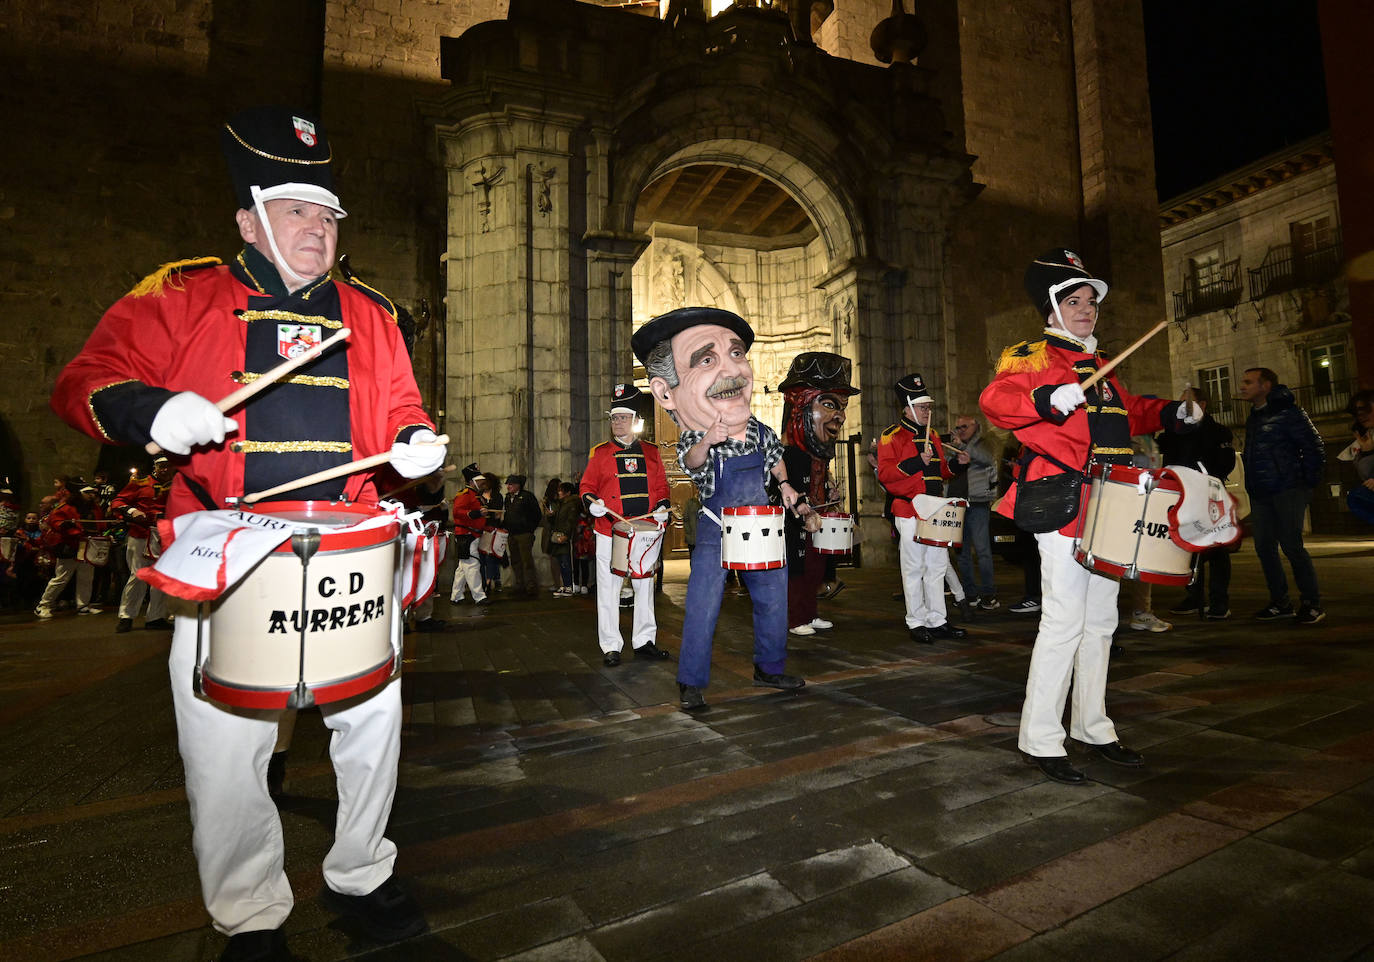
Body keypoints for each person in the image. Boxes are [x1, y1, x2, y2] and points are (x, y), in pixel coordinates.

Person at [50, 106, 442, 960]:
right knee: (224, 746)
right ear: (248, 219)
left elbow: (402, 404)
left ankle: (363, 872)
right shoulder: (184, 292)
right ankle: (249, 914)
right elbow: (86, 378)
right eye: (298, 210)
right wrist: (154, 408)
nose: (318, 229)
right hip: (226, 547)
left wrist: (413, 441)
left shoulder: (370, 313)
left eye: (329, 214)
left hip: (346, 546)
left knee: (374, 726)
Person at [980, 247, 1198, 785]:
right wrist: (1048, 397)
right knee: (1063, 620)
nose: (1086, 310)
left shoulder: (1099, 366)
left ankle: (1093, 726)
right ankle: (1040, 736)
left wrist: (1171, 412)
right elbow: (997, 400)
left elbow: (1129, 410)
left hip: (1111, 503)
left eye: (1091, 302)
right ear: (1052, 306)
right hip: (1062, 501)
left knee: (1101, 622)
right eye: (1074, 300)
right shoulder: (1031, 357)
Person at [633, 307, 807, 710]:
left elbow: (774, 456)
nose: (732, 370)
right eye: (706, 359)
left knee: (772, 597)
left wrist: (784, 486)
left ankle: (770, 667)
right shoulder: (695, 435)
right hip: (717, 529)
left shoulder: (760, 430)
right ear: (665, 393)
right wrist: (709, 439)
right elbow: (693, 464)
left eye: (736, 354)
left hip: (761, 525)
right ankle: (691, 682)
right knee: (703, 604)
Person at [579, 384, 673, 666]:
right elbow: (586, 486)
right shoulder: (601, 453)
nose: (617, 422)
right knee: (609, 587)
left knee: (645, 586)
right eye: (614, 418)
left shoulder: (652, 452)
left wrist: (660, 508)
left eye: (623, 417)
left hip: (644, 532)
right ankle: (610, 645)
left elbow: (661, 488)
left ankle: (644, 641)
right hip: (611, 531)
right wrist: (591, 501)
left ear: (635, 420)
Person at [774, 351, 860, 636]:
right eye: (829, 404)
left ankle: (809, 614)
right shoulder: (785, 453)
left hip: (818, 519)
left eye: (842, 407)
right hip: (794, 521)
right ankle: (794, 618)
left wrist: (828, 490)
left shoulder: (820, 455)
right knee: (796, 570)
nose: (840, 416)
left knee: (814, 568)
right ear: (799, 406)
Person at [877, 373, 967, 643]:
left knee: (937, 567)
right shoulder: (890, 437)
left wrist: (956, 465)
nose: (928, 411)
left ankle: (937, 619)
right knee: (914, 568)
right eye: (922, 407)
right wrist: (917, 462)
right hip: (909, 512)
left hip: (936, 511)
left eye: (929, 406)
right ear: (907, 408)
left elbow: (938, 473)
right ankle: (916, 620)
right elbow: (886, 475)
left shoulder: (934, 435)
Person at [1238, 366, 1326, 625]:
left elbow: (1314, 447)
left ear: (1265, 386)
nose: (1242, 387)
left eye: (1248, 382)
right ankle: (1280, 602)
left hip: (1287, 489)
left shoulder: (1290, 413)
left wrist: (1305, 483)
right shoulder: (1254, 416)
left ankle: (1312, 603)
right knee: (1264, 547)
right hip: (1262, 491)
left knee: (1291, 545)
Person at [1157, 385, 1236, 619]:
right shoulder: (1175, 432)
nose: (1183, 409)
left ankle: (1219, 601)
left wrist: (1204, 479)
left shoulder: (1219, 432)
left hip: (1209, 495)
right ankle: (1194, 595)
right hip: (1183, 495)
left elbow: (1225, 462)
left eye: (1187, 404)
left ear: (1202, 406)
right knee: (1188, 546)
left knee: (1217, 548)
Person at [111, 456, 175, 632]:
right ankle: (126, 616)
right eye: (162, 466)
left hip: (166, 535)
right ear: (155, 466)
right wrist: (132, 510)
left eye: (169, 466)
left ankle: (155, 616)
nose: (165, 469)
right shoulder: (141, 483)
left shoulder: (179, 485)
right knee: (137, 575)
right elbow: (117, 501)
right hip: (141, 534)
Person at [948, 414, 999, 610]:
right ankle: (970, 594)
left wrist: (961, 445)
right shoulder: (956, 446)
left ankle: (988, 594)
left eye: (964, 426)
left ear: (975, 426)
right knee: (961, 552)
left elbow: (986, 458)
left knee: (983, 551)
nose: (960, 430)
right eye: (958, 427)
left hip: (978, 503)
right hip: (958, 504)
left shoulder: (985, 443)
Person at [34, 483, 104, 618]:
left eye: (92, 492)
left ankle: (83, 605)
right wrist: (66, 525)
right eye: (87, 492)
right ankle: (43, 605)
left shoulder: (94, 508)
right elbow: (54, 521)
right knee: (61, 577)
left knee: (86, 577)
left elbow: (100, 524)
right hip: (70, 545)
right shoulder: (66, 507)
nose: (91, 495)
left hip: (89, 545)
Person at [450, 463, 489, 606]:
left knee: (463, 567)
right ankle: (479, 596)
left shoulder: (474, 495)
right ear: (472, 482)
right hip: (466, 534)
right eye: (479, 481)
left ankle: (456, 595)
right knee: (472, 565)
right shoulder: (465, 494)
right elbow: (457, 512)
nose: (482, 483)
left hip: (471, 534)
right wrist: (477, 513)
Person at [501, 474, 542, 596]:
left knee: (526, 561)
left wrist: (530, 528)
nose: (508, 486)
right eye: (508, 484)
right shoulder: (508, 498)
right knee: (515, 560)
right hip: (512, 534)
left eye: (511, 484)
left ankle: (531, 586)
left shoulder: (527, 497)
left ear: (518, 485)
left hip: (524, 534)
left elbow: (537, 514)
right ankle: (519, 585)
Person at [1343, 390, 1374, 523]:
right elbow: (1366, 477)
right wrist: (1367, 452)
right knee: (1356, 497)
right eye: (1357, 412)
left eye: (1365, 409)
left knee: (1357, 497)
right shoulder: (1366, 436)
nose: (1360, 415)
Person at [476, 471, 505, 593]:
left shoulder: (497, 496)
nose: (483, 484)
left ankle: (489, 581)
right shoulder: (478, 495)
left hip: (492, 530)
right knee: (481, 558)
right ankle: (484, 581)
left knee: (491, 557)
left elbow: (498, 515)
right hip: (480, 529)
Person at [549, 482, 580, 595]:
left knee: (566, 561)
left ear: (568, 492)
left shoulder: (571, 504)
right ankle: (564, 585)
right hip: (559, 535)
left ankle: (568, 586)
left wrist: (566, 535)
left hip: (565, 537)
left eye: (561, 490)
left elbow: (571, 521)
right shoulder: (562, 504)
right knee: (560, 561)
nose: (559, 492)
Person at [539, 476, 563, 592]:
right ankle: (557, 583)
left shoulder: (561, 500)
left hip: (558, 531)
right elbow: (544, 519)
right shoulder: (548, 501)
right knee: (553, 559)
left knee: (560, 559)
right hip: (551, 532)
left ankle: (561, 584)